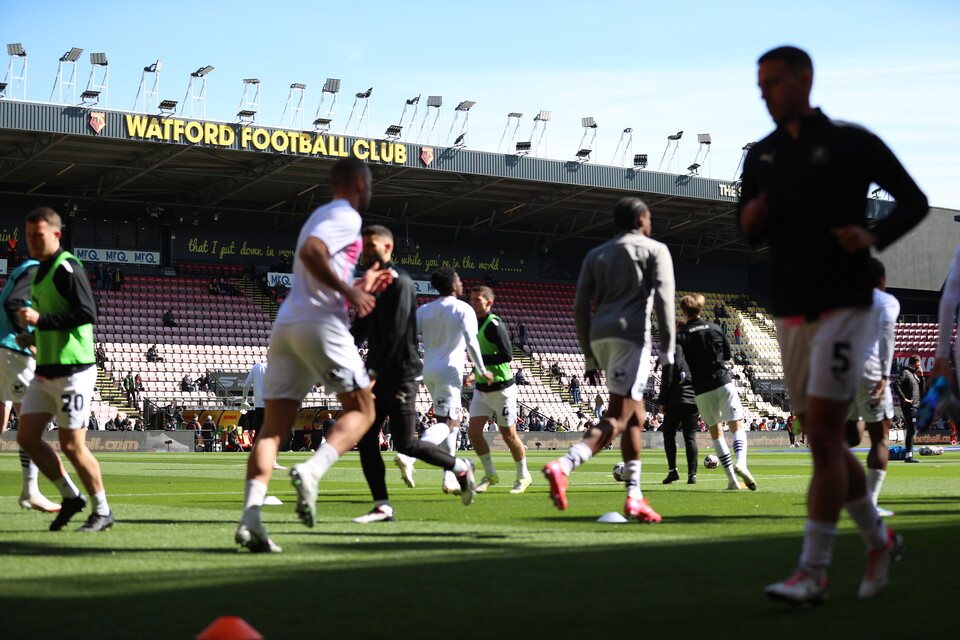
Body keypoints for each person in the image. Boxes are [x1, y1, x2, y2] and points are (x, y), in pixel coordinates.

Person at [739, 46, 928, 604]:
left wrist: (873, 236)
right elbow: (749, 227)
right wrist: (750, 218)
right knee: (825, 440)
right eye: (760, 85)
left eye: (772, 82)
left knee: (824, 433)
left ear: (804, 80)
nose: (764, 92)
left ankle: (813, 571)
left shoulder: (850, 142)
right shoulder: (763, 154)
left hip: (845, 305)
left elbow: (914, 201)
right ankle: (880, 538)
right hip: (789, 307)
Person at [235, 157, 394, 553]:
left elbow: (318, 263)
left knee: (273, 428)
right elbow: (311, 253)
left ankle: (250, 518)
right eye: (370, 181)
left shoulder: (322, 214)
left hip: (288, 324)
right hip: (320, 323)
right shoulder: (346, 215)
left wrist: (361, 282)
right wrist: (351, 292)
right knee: (364, 410)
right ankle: (311, 470)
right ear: (360, 182)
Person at [544, 196, 675, 523]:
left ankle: (634, 497)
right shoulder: (654, 249)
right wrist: (669, 350)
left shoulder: (596, 253)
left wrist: (589, 355)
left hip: (601, 335)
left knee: (636, 416)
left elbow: (578, 306)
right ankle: (565, 465)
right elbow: (663, 299)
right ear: (642, 219)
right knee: (618, 415)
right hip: (631, 335)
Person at [351, 225, 477, 522]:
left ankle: (460, 467)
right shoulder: (370, 284)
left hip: (399, 374)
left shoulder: (401, 284)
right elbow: (360, 329)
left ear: (388, 248)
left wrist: (372, 372)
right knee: (367, 439)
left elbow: (397, 334)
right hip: (378, 371)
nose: (367, 252)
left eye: (372, 246)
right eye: (363, 246)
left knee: (406, 443)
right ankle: (382, 506)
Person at [15, 206, 114, 532]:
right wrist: (31, 336)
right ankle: (71, 496)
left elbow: (87, 313)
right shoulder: (40, 272)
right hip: (45, 370)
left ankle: (102, 510)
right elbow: (52, 320)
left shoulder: (67, 266)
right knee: (27, 437)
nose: (32, 241)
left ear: (56, 235)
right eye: (29, 236)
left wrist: (39, 321)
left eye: (38, 235)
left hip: (73, 371)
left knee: (72, 445)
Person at [395, 266, 490, 494]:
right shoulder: (463, 309)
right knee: (448, 424)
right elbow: (471, 341)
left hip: (429, 370)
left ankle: (449, 478)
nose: (462, 284)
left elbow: (405, 335)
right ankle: (409, 455)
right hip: (450, 371)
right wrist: (481, 368)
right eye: (459, 280)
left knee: (452, 424)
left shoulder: (425, 309)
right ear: (453, 285)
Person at [678, 294, 757, 491]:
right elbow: (728, 355)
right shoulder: (714, 328)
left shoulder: (681, 335)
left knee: (716, 433)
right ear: (700, 310)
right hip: (722, 381)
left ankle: (731, 479)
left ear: (683, 312)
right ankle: (742, 463)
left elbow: (679, 364)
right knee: (737, 426)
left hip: (701, 388)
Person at [0, 255, 60, 512]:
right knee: (31, 424)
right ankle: (30, 491)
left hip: (4, 350)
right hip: (14, 352)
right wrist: (28, 342)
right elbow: (14, 303)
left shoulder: (24, 270)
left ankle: (30, 491)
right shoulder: (36, 271)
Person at [844, 258, 900, 516]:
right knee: (880, 438)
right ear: (882, 280)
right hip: (871, 371)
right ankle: (869, 505)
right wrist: (885, 376)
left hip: (841, 370)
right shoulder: (887, 301)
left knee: (851, 437)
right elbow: (888, 334)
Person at [466, 285, 533, 494]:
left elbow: (507, 355)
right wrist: (473, 372)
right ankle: (490, 473)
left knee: (508, 435)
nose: (473, 302)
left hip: (502, 389)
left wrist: (480, 363)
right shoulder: (471, 324)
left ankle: (523, 476)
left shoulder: (494, 324)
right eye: (472, 299)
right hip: (481, 389)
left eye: (478, 299)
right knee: (474, 433)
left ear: (489, 302)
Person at [658, 341, 699, 485]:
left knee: (669, 434)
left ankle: (672, 471)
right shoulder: (695, 354)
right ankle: (692, 475)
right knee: (690, 437)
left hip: (674, 401)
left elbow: (666, 379)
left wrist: (662, 402)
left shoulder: (671, 353)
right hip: (693, 401)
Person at [241, 361, 286, 470]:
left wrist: (244, 400)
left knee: (259, 435)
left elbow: (246, 384)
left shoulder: (256, 367)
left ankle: (256, 461)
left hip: (259, 406)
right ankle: (273, 462)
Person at [893, 355, 924, 463]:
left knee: (913, 429)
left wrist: (922, 377)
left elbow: (921, 391)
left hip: (916, 406)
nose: (919, 366)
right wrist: (903, 398)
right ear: (915, 362)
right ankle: (908, 456)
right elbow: (896, 384)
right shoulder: (906, 373)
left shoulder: (914, 375)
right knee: (911, 429)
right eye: (918, 364)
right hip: (910, 406)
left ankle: (909, 454)